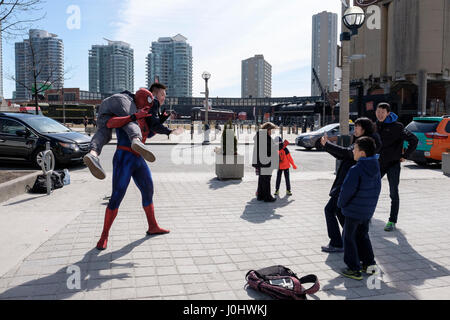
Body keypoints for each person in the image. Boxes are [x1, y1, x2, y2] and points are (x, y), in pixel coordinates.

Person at [95, 88, 180, 250]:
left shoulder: (145, 116)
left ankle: (152, 226)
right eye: (144, 106)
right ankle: (104, 236)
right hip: (124, 157)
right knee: (117, 196)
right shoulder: (126, 112)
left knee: (148, 190)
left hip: (138, 159)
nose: (147, 109)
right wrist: (133, 116)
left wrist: (162, 120)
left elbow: (150, 133)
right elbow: (110, 123)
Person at [320, 118, 381, 253]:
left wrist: (327, 145)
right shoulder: (364, 140)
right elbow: (346, 154)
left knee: (330, 210)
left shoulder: (364, 142)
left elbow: (346, 153)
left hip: (347, 184)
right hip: (347, 183)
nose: (354, 130)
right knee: (339, 212)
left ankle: (339, 242)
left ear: (364, 128)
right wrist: (327, 146)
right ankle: (349, 240)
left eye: (357, 127)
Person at [83, 89, 157, 180]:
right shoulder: (130, 100)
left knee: (104, 133)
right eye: (143, 107)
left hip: (104, 105)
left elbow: (111, 123)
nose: (141, 109)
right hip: (122, 100)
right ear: (142, 100)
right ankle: (136, 140)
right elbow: (132, 117)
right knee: (132, 122)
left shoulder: (119, 98)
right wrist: (135, 116)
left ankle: (93, 154)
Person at [338, 136, 381, 280]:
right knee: (363, 236)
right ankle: (369, 265)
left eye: (355, 150)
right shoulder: (376, 167)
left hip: (353, 211)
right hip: (367, 211)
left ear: (362, 153)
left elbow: (347, 191)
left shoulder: (356, 169)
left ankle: (353, 268)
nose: (353, 152)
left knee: (348, 238)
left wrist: (341, 204)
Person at [375, 103, 418, 232]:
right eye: (378, 111)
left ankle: (392, 220)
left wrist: (406, 155)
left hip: (393, 164)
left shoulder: (397, 127)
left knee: (393, 192)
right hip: (378, 164)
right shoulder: (374, 126)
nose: (380, 114)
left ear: (388, 113)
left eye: (383, 112)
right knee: (371, 189)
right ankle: (367, 215)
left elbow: (414, 140)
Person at [252, 122, 278, 202]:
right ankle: (267, 197)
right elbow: (267, 149)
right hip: (265, 161)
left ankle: (260, 195)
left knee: (262, 178)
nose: (272, 132)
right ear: (268, 129)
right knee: (266, 179)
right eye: (272, 130)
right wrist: (277, 146)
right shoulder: (264, 137)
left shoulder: (261, 135)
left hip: (260, 161)